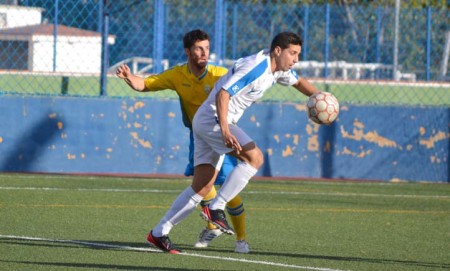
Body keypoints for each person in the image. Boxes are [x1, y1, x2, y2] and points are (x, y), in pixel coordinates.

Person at [145, 31, 322, 254]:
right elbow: (223, 94)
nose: (296, 59)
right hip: (214, 119)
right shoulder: (256, 67)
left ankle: (159, 232)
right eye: (293, 53)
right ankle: (216, 208)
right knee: (254, 158)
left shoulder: (276, 69)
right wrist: (226, 129)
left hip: (206, 119)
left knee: (201, 187)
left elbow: (298, 82)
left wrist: (322, 97)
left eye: (298, 54)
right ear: (278, 51)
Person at [115, 29, 250, 253]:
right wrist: (130, 78)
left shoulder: (219, 74)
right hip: (197, 137)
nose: (204, 52)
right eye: (199, 48)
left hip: (220, 134)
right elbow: (145, 84)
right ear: (187, 51)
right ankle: (203, 224)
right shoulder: (178, 75)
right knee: (202, 185)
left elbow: (240, 90)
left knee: (227, 187)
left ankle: (241, 240)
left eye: (207, 48)